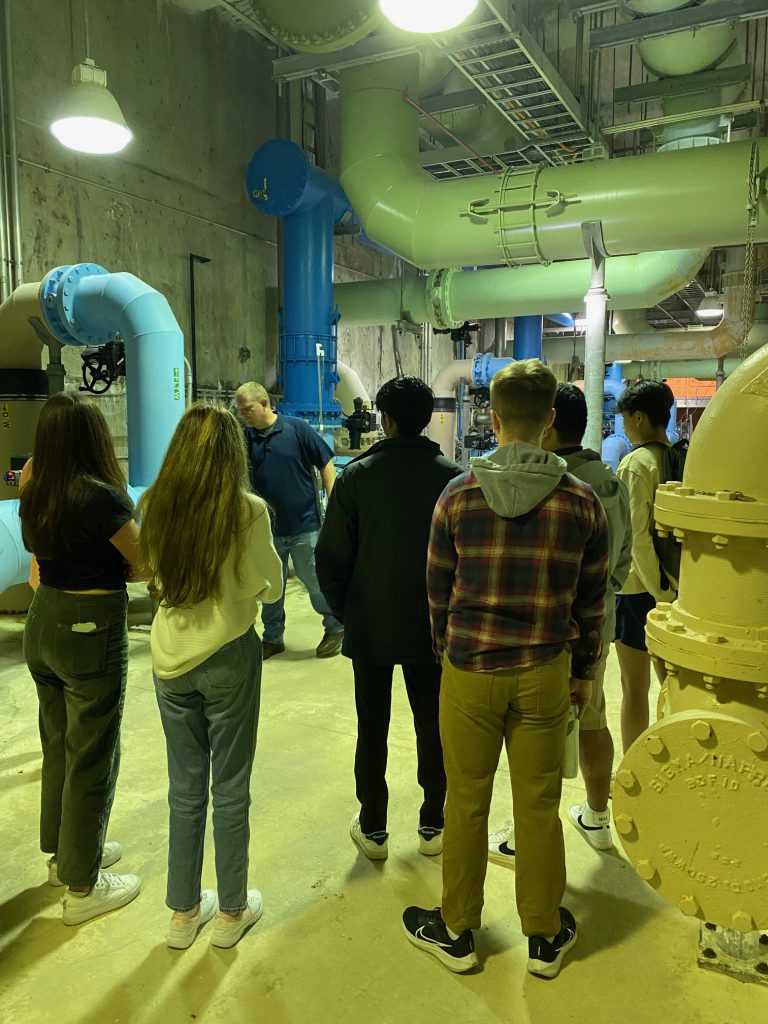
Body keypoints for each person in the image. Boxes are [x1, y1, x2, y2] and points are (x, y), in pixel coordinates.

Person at [402, 360, 610, 979]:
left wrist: (450, 651)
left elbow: (436, 588)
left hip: (470, 668)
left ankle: (459, 929)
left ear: (492, 418)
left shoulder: (457, 495)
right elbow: (592, 599)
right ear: (550, 422)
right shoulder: (581, 500)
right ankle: (544, 936)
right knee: (539, 801)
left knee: (465, 799)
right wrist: (582, 671)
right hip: (546, 668)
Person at [139, 404, 283, 949]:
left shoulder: (153, 503)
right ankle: (230, 913)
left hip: (169, 657)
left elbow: (148, 572)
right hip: (228, 655)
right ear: (231, 454)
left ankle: (181, 914)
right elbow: (269, 584)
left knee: (184, 787)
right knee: (230, 786)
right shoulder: (246, 510)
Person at [315, 376, 461, 860]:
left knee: (372, 724)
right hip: (435, 626)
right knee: (434, 723)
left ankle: (374, 826)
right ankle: (433, 823)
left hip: (371, 623)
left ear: (386, 419)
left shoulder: (357, 476)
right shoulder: (453, 478)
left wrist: (347, 610)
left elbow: (331, 556)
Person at [488, 383, 631, 860]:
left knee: (535, 732)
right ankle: (598, 816)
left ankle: (529, 833)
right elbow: (622, 560)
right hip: (596, 625)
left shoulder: (546, 483)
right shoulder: (608, 480)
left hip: (544, 631)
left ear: (546, 422)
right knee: (592, 720)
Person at [19, 392, 141, 925]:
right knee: (92, 750)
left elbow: (38, 561)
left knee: (60, 745)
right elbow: (144, 565)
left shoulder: (32, 482)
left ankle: (64, 855)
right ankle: (83, 888)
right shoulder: (99, 497)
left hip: (41, 621)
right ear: (93, 436)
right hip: (88, 628)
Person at [234, 382, 344, 660]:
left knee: (315, 580)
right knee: (271, 587)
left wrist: (334, 507)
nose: (244, 415)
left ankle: (335, 628)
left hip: (303, 525)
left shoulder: (296, 429)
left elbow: (326, 465)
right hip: (265, 529)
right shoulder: (245, 438)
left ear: (264, 403)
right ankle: (272, 638)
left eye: (247, 409)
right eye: (240, 410)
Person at [614, 380, 676, 753]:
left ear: (639, 417)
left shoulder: (636, 464)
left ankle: (634, 775)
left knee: (633, 689)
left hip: (640, 591)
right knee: (672, 684)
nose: (623, 426)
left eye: (625, 419)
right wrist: (671, 591)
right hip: (675, 586)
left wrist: (658, 593)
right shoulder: (677, 457)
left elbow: (636, 536)